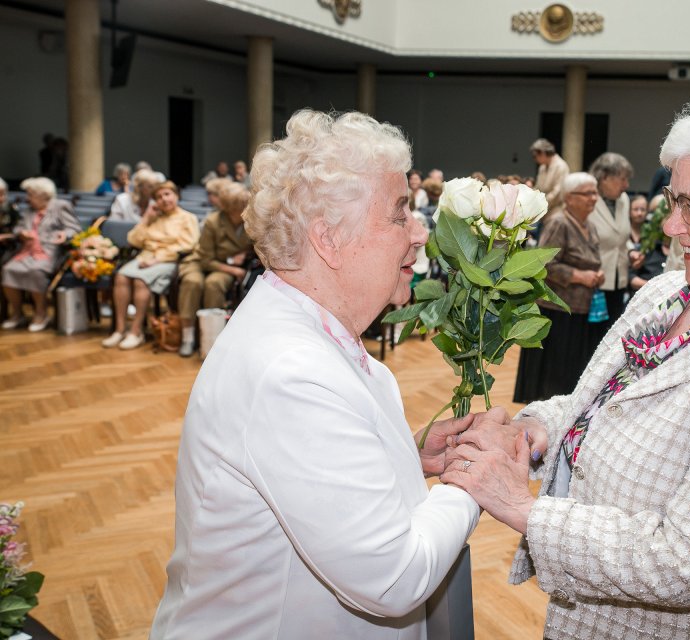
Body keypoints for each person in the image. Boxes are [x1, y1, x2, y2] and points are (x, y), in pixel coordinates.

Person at [445, 94, 690, 639]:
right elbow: (595, 402)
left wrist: (521, 506)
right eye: (670, 199)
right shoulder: (665, 293)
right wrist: (536, 430)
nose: (672, 227)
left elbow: (686, 560)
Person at [150, 110, 481, 639]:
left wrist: (404, 458)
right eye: (400, 215)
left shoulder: (306, 332)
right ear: (328, 240)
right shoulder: (290, 374)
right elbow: (393, 578)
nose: (420, 235)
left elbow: (307, 474)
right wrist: (471, 480)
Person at [513, 172, 604, 404]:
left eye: (595, 193)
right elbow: (543, 263)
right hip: (557, 311)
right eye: (587, 193)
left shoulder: (590, 226)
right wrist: (578, 276)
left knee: (573, 370)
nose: (594, 198)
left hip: (581, 311)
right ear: (569, 197)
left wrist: (596, 274)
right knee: (554, 375)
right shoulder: (558, 222)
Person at [102, 181, 199, 350]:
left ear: (176, 196)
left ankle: (136, 331)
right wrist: (146, 218)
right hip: (145, 258)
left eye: (167, 194)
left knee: (140, 280)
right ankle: (119, 329)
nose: (164, 199)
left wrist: (157, 260)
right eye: (159, 197)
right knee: (121, 276)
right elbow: (133, 240)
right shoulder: (154, 217)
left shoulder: (187, 218)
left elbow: (187, 246)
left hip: (168, 260)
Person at [176, 182, 253, 356]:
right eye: (241, 204)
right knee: (192, 282)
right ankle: (187, 338)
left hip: (223, 268)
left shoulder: (250, 221)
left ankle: (213, 338)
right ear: (229, 207)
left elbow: (255, 246)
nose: (246, 207)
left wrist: (244, 253)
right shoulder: (213, 222)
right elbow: (205, 259)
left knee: (213, 284)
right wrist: (234, 270)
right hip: (203, 262)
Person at [1, 177, 81, 331]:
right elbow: (17, 228)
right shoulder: (29, 210)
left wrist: (65, 234)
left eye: (31, 194)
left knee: (35, 272)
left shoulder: (60, 206)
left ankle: (41, 313)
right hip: (27, 251)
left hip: (50, 251)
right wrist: (22, 233)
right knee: (8, 270)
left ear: (43, 195)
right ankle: (18, 314)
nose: (27, 198)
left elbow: (75, 229)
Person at [588, 151, 633, 328]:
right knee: (593, 335)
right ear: (604, 177)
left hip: (619, 278)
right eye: (622, 179)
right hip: (595, 281)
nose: (626, 185)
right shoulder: (587, 200)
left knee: (613, 330)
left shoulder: (624, 200)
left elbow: (621, 237)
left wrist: (632, 251)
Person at [627, 194, 667, 292]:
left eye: (643, 209)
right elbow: (631, 276)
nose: (639, 213)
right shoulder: (649, 242)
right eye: (635, 209)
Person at [531, 139, 570, 214]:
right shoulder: (542, 167)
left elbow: (557, 191)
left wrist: (541, 203)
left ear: (543, 153)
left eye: (535, 156)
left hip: (557, 209)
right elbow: (538, 187)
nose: (535, 159)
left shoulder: (561, 166)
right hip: (542, 208)